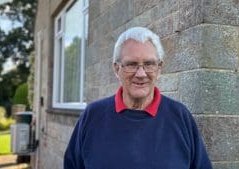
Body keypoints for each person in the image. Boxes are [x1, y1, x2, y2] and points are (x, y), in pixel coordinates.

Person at [64, 27, 212, 169]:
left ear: (159, 68)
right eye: (131, 64)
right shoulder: (93, 116)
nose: (141, 74)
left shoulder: (180, 117)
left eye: (149, 64)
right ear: (117, 69)